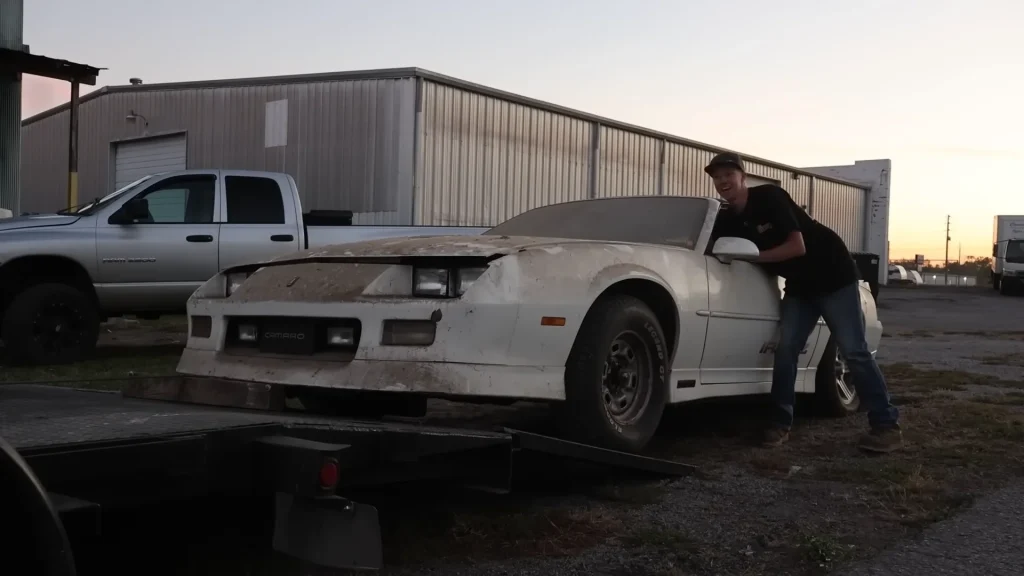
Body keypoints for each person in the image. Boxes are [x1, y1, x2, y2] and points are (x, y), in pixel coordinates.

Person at [703, 152, 902, 453]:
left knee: (854, 351)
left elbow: (797, 247)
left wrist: (755, 257)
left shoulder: (769, 197)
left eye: (728, 175)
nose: (722, 182)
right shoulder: (729, 219)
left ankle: (886, 426)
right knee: (786, 350)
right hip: (800, 287)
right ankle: (779, 424)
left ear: (743, 177)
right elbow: (716, 247)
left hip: (834, 276)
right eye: (717, 178)